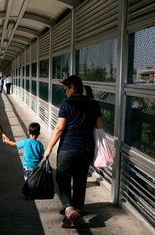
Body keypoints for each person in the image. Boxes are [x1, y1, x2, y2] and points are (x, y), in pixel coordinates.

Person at [43, 75, 103, 228]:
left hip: (69, 148)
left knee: (62, 178)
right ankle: (77, 209)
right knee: (80, 179)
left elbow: (59, 128)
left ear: (71, 88)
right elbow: (99, 125)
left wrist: (48, 148)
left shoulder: (66, 104)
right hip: (87, 148)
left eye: (65, 89)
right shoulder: (94, 103)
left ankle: (69, 209)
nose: (64, 92)